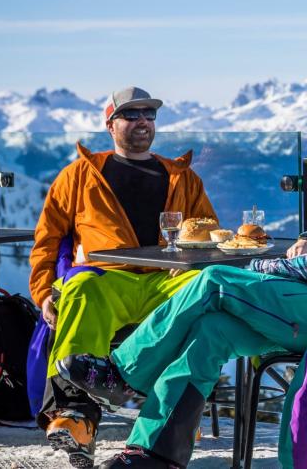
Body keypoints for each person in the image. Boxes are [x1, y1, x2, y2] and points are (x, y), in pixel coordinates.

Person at [56, 108, 307, 469]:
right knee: (210, 332)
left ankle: (123, 373)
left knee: (213, 281)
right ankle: (154, 453)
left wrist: (255, 263)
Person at [29, 86, 217, 468]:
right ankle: (75, 418)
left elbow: (208, 233)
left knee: (205, 291)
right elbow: (47, 238)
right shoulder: (79, 174)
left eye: (149, 115)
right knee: (80, 289)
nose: (143, 122)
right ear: (110, 124)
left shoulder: (183, 177)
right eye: (132, 115)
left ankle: (171, 413)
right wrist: (43, 292)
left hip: (167, 277)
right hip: (107, 278)